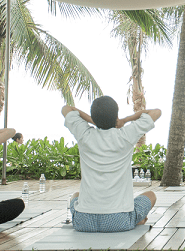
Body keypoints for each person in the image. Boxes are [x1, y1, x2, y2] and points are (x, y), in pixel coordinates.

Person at [62, 96, 162, 232]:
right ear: (116, 116)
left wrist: (95, 121)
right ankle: (136, 219)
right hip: (119, 221)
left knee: (76, 195)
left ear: (93, 116)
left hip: (84, 221)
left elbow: (66, 109)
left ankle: (135, 219)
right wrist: (124, 121)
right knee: (151, 195)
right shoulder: (126, 135)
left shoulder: (84, 134)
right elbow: (156, 112)